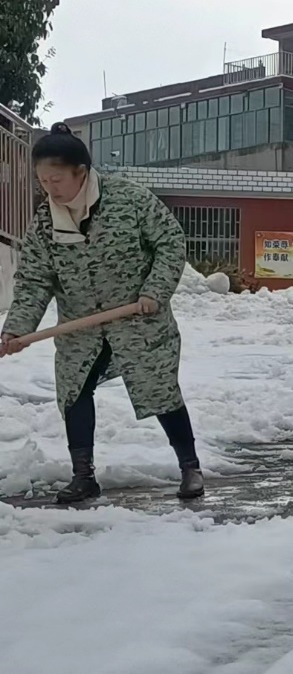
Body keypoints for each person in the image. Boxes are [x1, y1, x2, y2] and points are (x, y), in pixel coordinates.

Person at [0, 123, 203, 503]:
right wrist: (16, 330)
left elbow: (171, 242)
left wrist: (154, 292)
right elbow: (33, 280)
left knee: (159, 390)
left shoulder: (129, 200)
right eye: (43, 181)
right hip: (81, 327)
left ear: (81, 172)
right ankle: (83, 476)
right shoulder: (45, 222)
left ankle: (190, 468)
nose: (50, 189)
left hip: (138, 320)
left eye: (56, 180)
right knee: (74, 394)